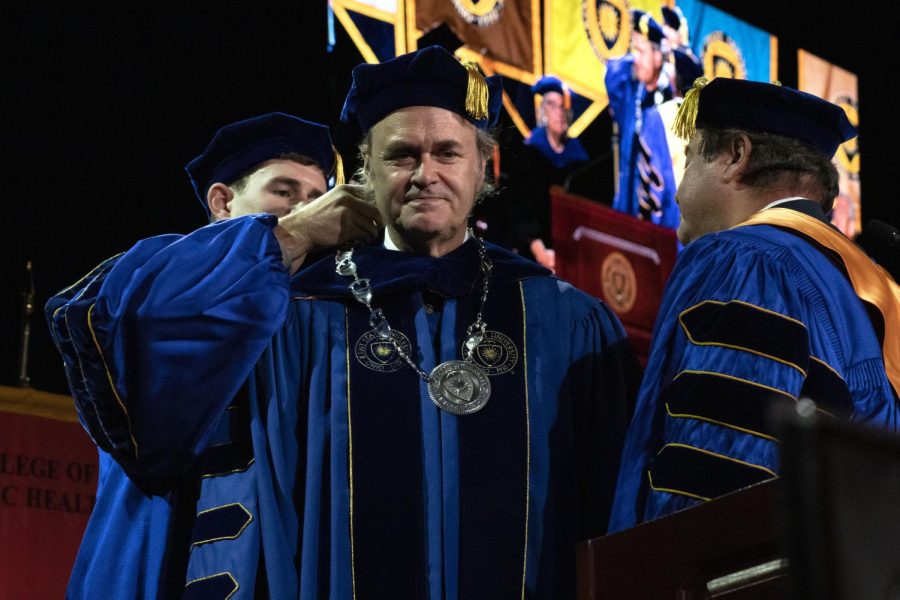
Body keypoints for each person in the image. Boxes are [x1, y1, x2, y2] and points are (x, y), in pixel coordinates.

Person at [47, 46, 637, 598]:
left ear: (484, 170)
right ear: (366, 175)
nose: (425, 172)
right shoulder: (300, 316)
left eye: (448, 153)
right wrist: (292, 234)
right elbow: (127, 330)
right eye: (401, 155)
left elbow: (611, 511)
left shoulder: (565, 320)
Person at [608, 77, 900, 531]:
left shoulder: (747, 260)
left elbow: (718, 491)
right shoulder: (866, 284)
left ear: (735, 156)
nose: (678, 192)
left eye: (688, 160)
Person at [606, 9, 680, 229]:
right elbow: (611, 75)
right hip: (630, 195)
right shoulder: (632, 91)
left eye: (641, 52)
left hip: (659, 202)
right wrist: (637, 54)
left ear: (658, 57)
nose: (636, 59)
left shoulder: (671, 100)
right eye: (633, 51)